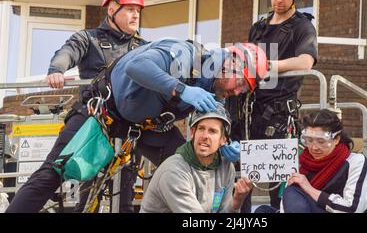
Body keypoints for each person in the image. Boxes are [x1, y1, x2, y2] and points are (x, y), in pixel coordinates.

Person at [6, 40, 268, 213]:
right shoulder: (185, 54)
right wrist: (181, 89)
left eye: (246, 89)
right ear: (232, 62)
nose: (239, 91)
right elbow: (136, 66)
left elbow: (214, 123)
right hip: (103, 112)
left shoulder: (214, 88)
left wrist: (224, 148)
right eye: (242, 83)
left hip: (146, 128)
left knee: (195, 164)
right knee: (53, 173)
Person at [43, 0, 147, 213]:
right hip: (95, 129)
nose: (135, 15)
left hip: (128, 133)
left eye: (138, 11)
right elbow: (67, 53)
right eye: (130, 9)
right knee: (88, 199)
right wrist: (56, 70)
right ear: (112, 9)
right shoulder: (88, 39)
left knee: (125, 201)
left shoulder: (143, 47)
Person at [239, 0, 318, 212]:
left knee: (279, 189)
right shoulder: (258, 28)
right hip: (250, 112)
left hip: (280, 115)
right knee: (243, 182)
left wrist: (269, 65)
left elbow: (306, 62)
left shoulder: (302, 27)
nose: (279, 0)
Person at [140, 103, 253, 213]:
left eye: (212, 131)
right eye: (201, 129)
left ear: (223, 140)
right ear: (193, 132)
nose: (204, 136)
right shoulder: (174, 171)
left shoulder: (226, 167)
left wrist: (236, 202)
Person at [257, 109, 367, 213]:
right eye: (309, 140)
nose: (314, 147)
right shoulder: (301, 163)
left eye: (321, 141)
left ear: (336, 139)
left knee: (293, 192)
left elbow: (352, 209)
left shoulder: (355, 161)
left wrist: (309, 189)